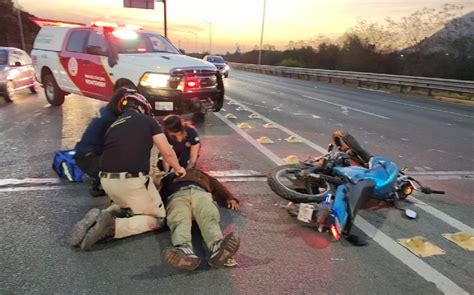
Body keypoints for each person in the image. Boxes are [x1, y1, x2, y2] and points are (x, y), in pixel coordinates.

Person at [69, 90, 186, 250]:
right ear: (142, 107)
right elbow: (167, 151)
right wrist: (179, 169)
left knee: (128, 206)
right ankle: (113, 227)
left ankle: (99, 216)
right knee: (159, 219)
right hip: (132, 181)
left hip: (107, 181)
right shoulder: (148, 121)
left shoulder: (113, 125)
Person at [160, 168, 240, 271]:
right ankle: (184, 251)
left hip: (200, 193)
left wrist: (229, 197)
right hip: (177, 195)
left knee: (208, 216)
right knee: (178, 219)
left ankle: (218, 247)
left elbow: (217, 186)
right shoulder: (168, 176)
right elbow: (158, 193)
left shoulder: (201, 174)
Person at [74, 87, 126, 197]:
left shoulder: (105, 111)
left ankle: (98, 176)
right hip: (89, 158)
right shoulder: (111, 120)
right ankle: (96, 183)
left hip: (82, 153)